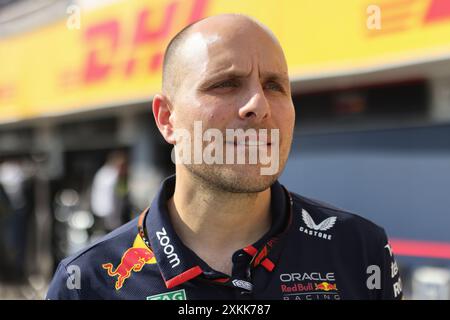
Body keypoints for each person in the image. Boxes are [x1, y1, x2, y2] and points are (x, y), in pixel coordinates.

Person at [46, 14, 402, 300]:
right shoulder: (88, 281)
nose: (258, 105)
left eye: (274, 85)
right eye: (226, 84)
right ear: (167, 119)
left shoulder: (360, 250)